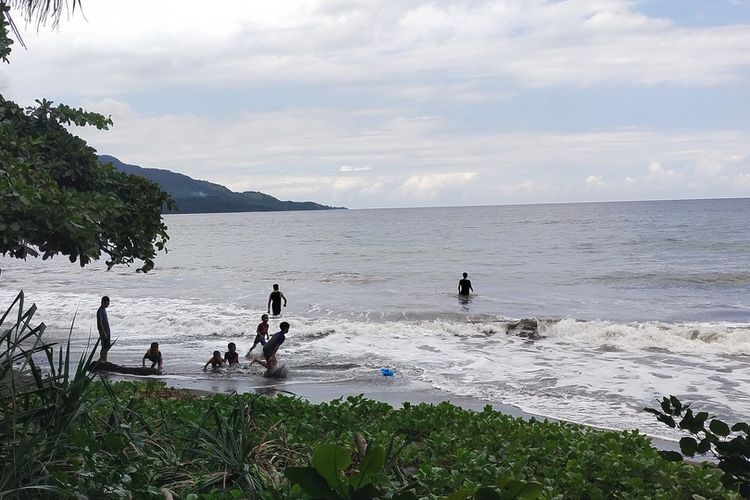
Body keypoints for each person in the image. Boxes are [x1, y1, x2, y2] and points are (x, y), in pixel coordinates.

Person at [96, 296, 111, 361]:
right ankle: (102, 360)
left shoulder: (103, 310)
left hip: (107, 331)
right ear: (104, 302)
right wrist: (103, 332)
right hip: (104, 332)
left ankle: (104, 360)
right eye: (107, 303)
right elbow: (100, 323)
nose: (108, 304)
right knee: (104, 347)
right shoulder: (100, 311)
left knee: (107, 347)